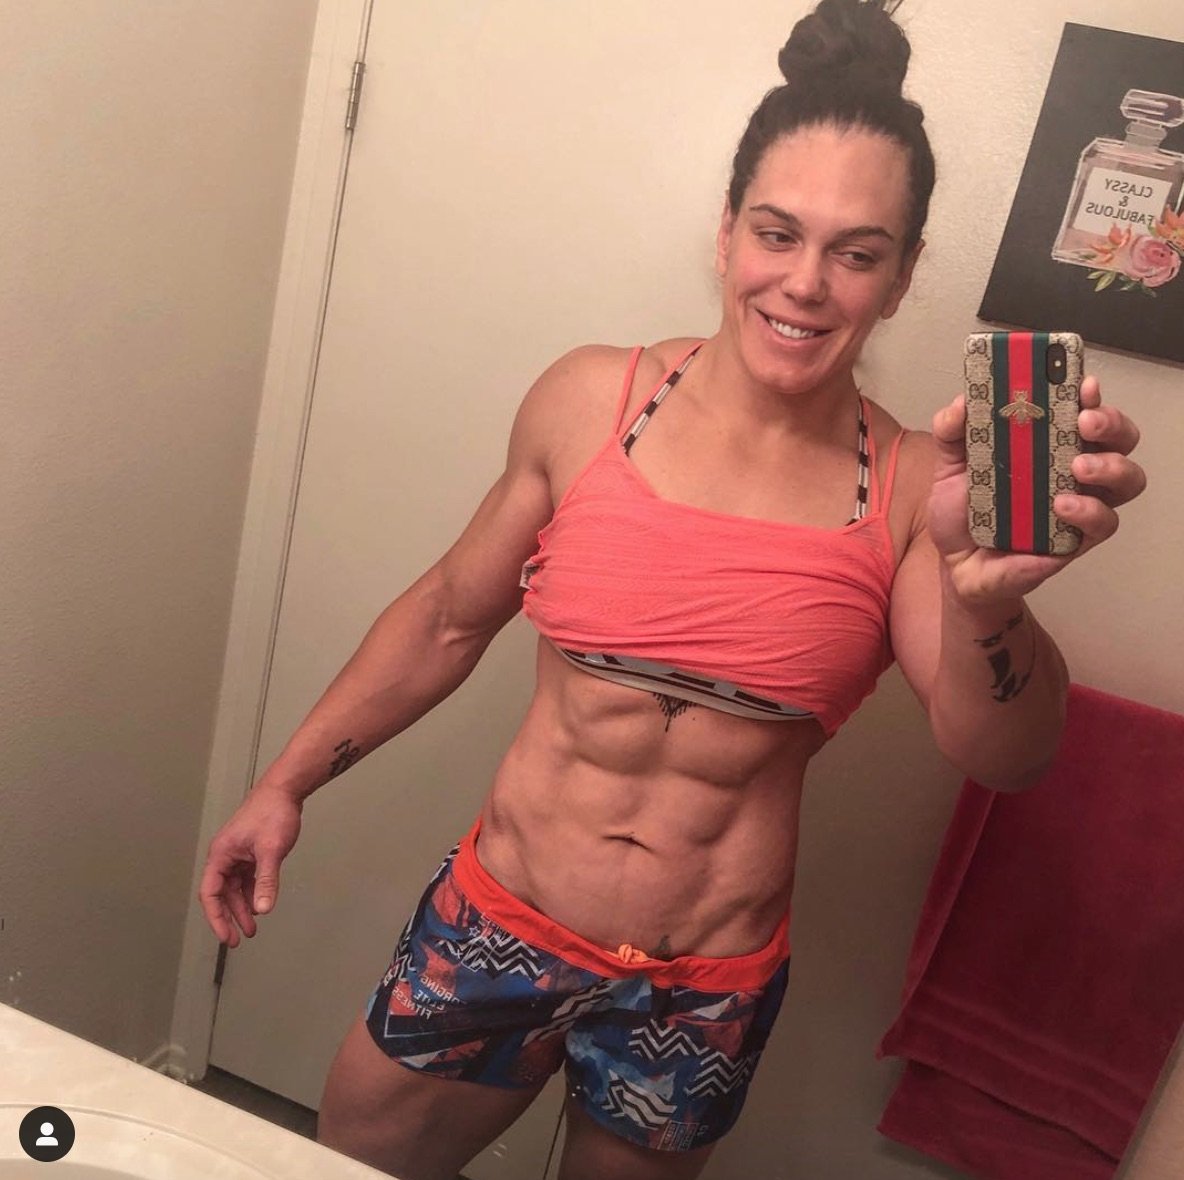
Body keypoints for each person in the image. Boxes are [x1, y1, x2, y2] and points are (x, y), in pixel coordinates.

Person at [199, 2, 1146, 1178]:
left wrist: (988, 596)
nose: (804, 283)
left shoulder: (913, 489)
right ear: (725, 232)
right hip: (500, 921)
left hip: (702, 982)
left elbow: (1003, 753)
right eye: (776, 233)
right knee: (350, 1161)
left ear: (901, 277)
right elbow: (447, 617)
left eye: (856, 253)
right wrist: (282, 782)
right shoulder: (587, 401)